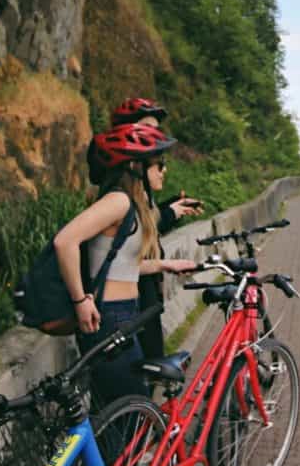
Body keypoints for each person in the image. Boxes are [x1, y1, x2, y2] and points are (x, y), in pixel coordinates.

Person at [53, 123, 198, 406]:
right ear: (135, 165)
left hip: (124, 315)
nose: (164, 170)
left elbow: (121, 268)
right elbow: (64, 242)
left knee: (117, 410)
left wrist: (165, 265)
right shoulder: (118, 201)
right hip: (109, 317)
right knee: (132, 407)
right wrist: (81, 300)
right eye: (159, 164)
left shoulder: (130, 204)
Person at [90, 96, 202, 358]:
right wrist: (80, 301)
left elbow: (145, 221)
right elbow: (128, 230)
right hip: (125, 294)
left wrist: (172, 209)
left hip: (142, 279)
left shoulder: (137, 186)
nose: (153, 134)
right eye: (146, 128)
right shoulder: (118, 191)